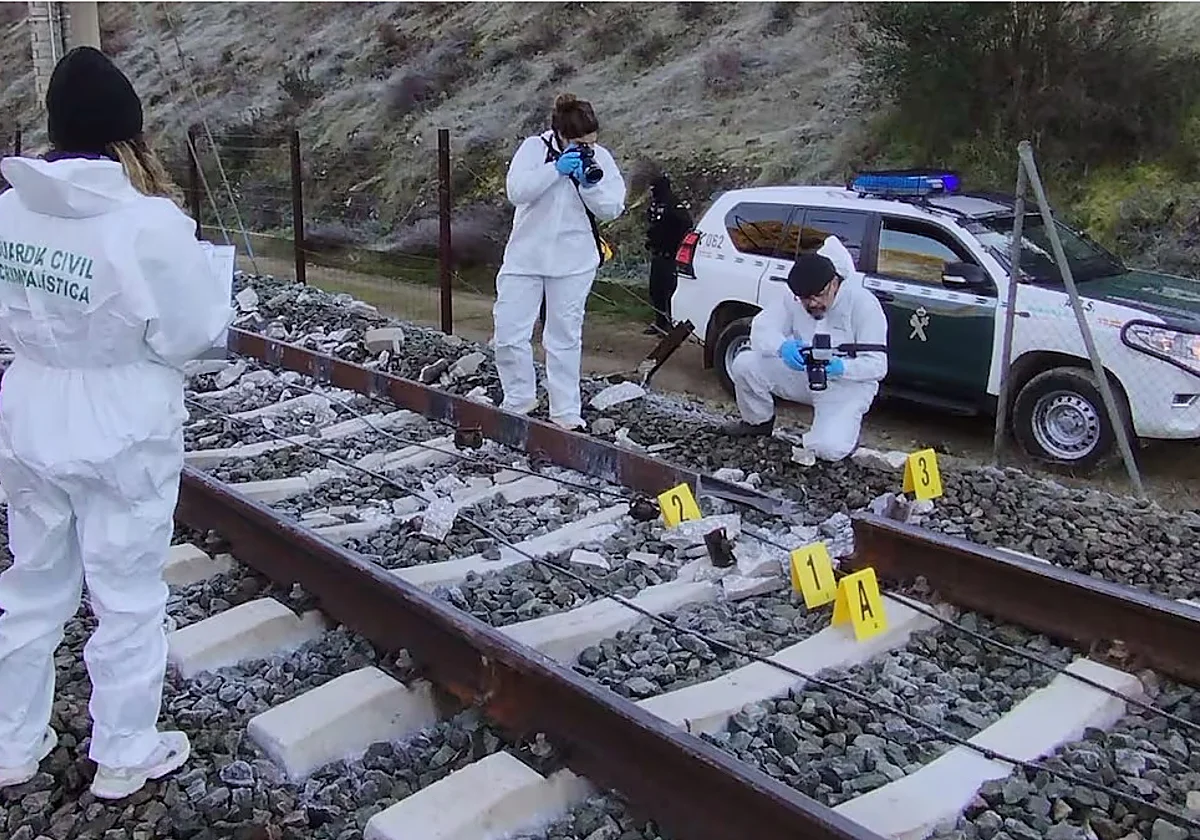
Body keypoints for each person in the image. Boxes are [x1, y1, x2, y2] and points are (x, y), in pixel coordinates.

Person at [0, 47, 233, 799]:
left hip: (32, 405)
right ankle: (125, 751)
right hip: (122, 418)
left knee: (32, 584)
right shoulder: (149, 225)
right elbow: (193, 334)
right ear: (130, 136)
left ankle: (11, 742)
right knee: (128, 592)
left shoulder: (8, 210)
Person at [492, 93, 626, 430]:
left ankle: (566, 412)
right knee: (509, 332)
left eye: (592, 142)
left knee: (564, 337)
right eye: (580, 143)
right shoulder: (533, 150)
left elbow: (611, 208)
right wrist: (556, 169)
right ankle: (519, 397)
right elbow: (517, 191)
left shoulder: (601, 158)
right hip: (525, 256)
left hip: (574, 261)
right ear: (562, 136)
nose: (588, 148)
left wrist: (586, 183)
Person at [720, 236, 888, 461]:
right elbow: (761, 328)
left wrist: (840, 367)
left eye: (818, 296)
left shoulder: (863, 304)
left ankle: (843, 432)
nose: (811, 304)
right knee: (744, 364)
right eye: (805, 299)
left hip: (846, 385)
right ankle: (757, 423)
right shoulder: (795, 299)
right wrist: (782, 347)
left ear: (834, 283)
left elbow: (878, 366)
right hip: (805, 374)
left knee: (827, 449)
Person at [644, 174, 692, 335]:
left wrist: (674, 244)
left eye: (654, 188)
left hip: (670, 255)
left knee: (669, 290)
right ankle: (660, 323)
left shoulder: (674, 205)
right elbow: (654, 225)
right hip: (657, 253)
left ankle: (671, 324)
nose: (652, 191)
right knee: (655, 290)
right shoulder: (655, 204)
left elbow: (685, 225)